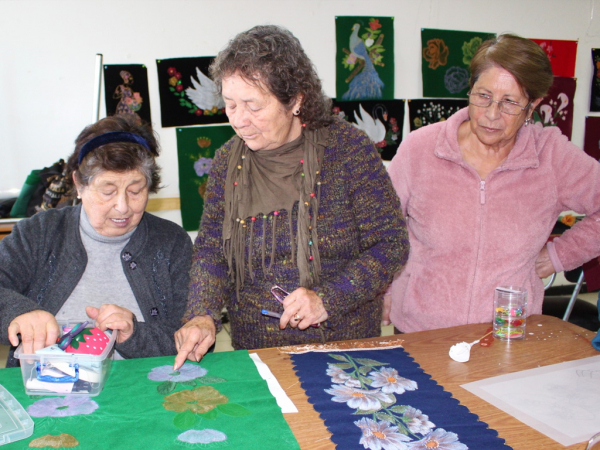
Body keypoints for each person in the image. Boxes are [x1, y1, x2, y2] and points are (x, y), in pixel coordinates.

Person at [174, 25, 408, 369]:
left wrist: (329, 298)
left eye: (252, 106)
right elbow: (212, 250)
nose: (239, 120)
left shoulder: (348, 151)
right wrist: (202, 314)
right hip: (256, 355)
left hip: (346, 350)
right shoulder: (227, 161)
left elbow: (391, 244)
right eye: (230, 105)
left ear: (296, 99)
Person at [385, 33, 600, 333]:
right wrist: (382, 287)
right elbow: (379, 228)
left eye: (510, 102)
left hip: (506, 337)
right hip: (420, 334)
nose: (491, 114)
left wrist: (558, 256)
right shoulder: (420, 149)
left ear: (533, 105)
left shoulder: (551, 157)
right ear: (470, 89)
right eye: (483, 96)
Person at [0, 115, 192, 367]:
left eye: (136, 191)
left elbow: (191, 334)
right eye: (108, 191)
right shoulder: (39, 232)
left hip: (144, 392)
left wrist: (135, 334)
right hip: (45, 389)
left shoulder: (172, 242)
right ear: (78, 184)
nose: (122, 207)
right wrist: (20, 312)